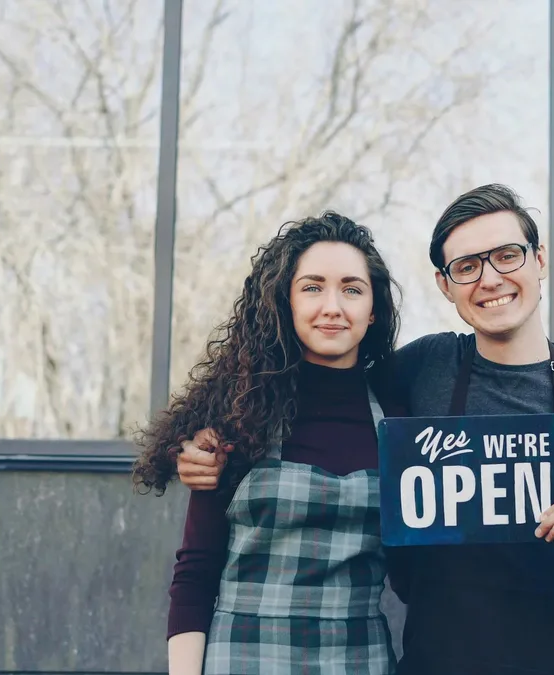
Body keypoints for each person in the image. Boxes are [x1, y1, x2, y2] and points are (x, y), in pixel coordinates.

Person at [173, 185, 554, 675]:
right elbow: (319, 390)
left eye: (507, 255)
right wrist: (204, 439)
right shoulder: (424, 370)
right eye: (467, 266)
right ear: (446, 284)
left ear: (539, 260)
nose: (491, 278)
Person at [132, 212, 406, 675]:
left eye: (352, 289)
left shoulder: (399, 418)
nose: (333, 306)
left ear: (373, 308)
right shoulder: (240, 419)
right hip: (243, 657)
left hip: (361, 658)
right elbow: (196, 572)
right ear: (287, 302)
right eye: (313, 287)